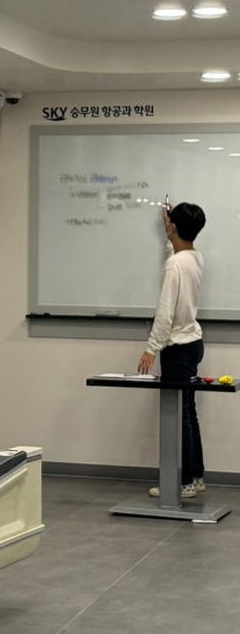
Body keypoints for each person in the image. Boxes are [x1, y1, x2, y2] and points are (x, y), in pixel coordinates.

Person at [138, 202, 206, 499]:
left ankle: (184, 482)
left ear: (173, 227)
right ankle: (195, 477)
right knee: (188, 413)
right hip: (193, 345)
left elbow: (165, 314)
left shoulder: (175, 265)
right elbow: (176, 256)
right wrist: (171, 229)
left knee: (179, 416)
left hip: (177, 349)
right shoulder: (193, 257)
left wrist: (151, 349)